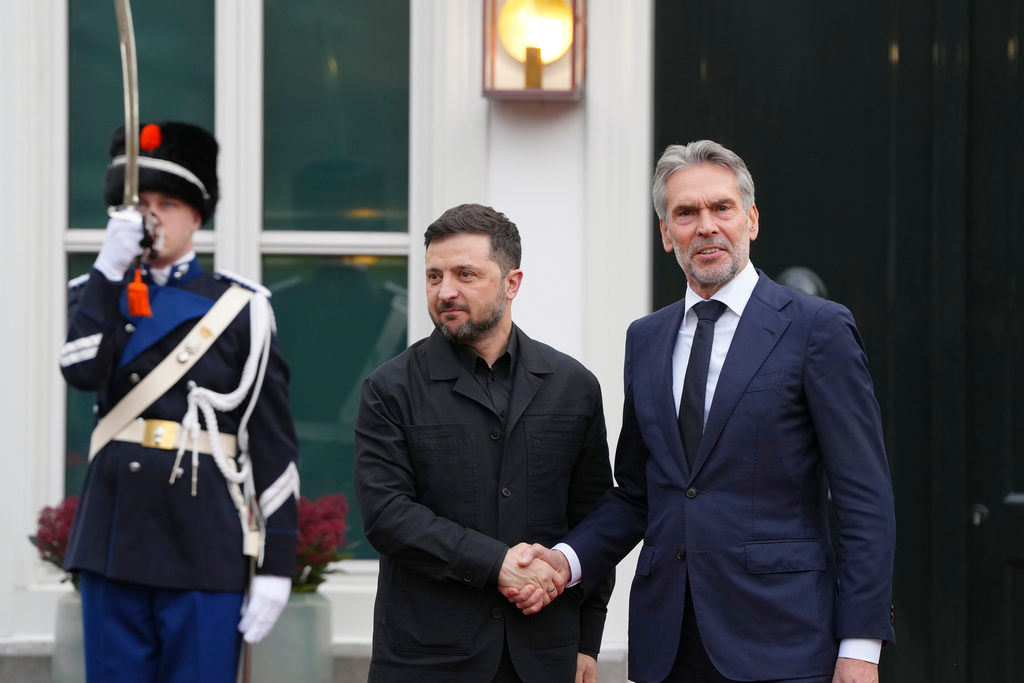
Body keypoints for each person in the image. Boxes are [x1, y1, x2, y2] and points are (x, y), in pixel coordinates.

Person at [509, 140, 897, 683]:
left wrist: (861, 646)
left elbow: (864, 497)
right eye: (686, 213)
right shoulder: (645, 338)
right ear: (667, 234)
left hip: (783, 643)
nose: (706, 226)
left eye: (722, 208)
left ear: (751, 220)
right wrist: (565, 561)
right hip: (667, 644)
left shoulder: (817, 328)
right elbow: (639, 493)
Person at [60, 121, 300, 682]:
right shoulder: (93, 294)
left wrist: (277, 563)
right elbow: (80, 370)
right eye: (139, 203)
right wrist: (109, 271)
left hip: (203, 539)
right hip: (113, 535)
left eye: (168, 202)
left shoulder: (240, 310)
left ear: (197, 215)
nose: (151, 215)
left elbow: (271, 443)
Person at [353, 203, 615, 683]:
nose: (444, 291)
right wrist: (497, 565)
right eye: (433, 276)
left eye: (464, 274)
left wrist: (587, 641)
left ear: (512, 283)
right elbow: (387, 515)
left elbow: (596, 517)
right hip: (427, 660)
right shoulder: (389, 388)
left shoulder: (574, 386)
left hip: (546, 657)